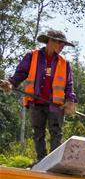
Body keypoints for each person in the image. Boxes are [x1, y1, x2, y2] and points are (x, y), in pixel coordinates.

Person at [1, 30, 78, 161]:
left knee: (56, 133)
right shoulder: (32, 56)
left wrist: (70, 100)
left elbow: (68, 84)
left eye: (64, 44)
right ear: (50, 41)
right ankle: (42, 162)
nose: (62, 46)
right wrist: (10, 83)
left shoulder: (64, 63)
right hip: (35, 102)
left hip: (55, 105)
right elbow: (20, 74)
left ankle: (54, 163)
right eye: (60, 43)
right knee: (38, 133)